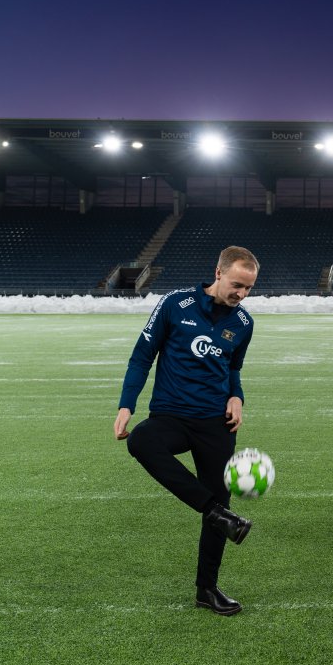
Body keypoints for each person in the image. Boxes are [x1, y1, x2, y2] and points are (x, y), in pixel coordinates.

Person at [113, 246, 260, 616]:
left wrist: (237, 398)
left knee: (220, 500)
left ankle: (206, 590)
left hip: (217, 424)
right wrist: (127, 404)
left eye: (248, 289)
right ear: (218, 272)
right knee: (143, 442)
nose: (241, 295)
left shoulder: (243, 324)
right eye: (237, 285)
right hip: (172, 416)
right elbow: (142, 355)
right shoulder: (174, 305)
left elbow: (233, 369)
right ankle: (216, 512)